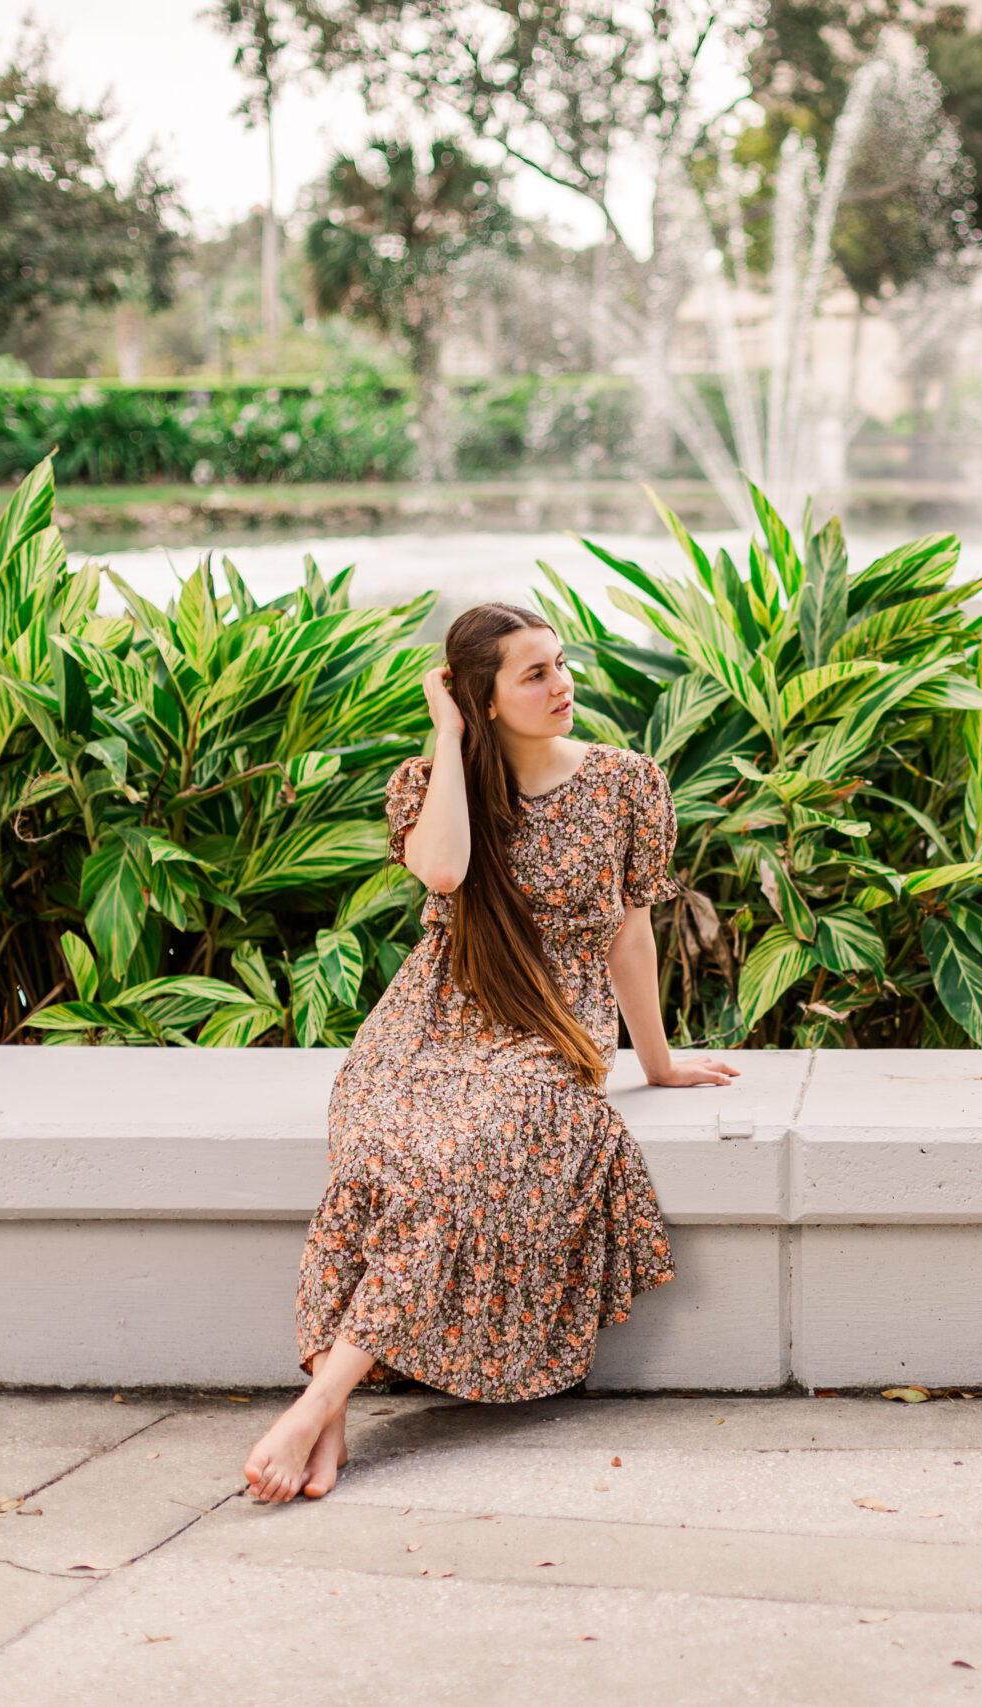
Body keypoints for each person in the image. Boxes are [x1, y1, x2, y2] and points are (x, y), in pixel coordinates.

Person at [243, 602, 737, 1502]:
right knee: (380, 1156)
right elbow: (443, 872)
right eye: (535, 673)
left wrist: (656, 1063)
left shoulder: (627, 780)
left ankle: (321, 1400)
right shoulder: (430, 784)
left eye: (561, 663)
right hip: (425, 1026)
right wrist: (447, 735)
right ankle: (332, 1403)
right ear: (483, 696)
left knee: (454, 1164)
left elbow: (632, 936)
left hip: (546, 1034)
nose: (563, 684)